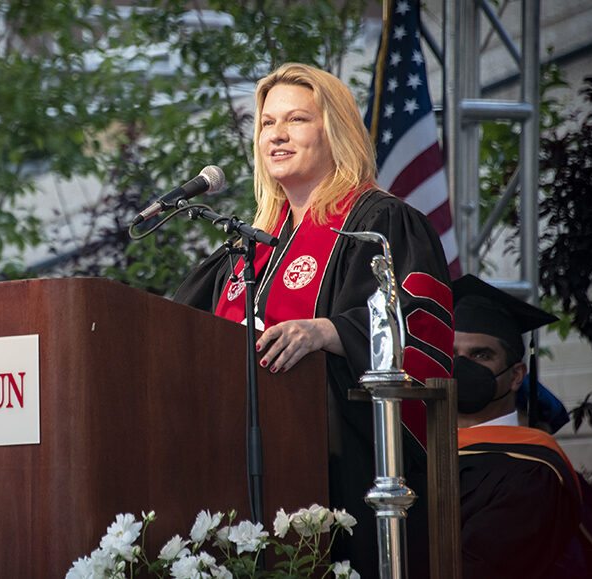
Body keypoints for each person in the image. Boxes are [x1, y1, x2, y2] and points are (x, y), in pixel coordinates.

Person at [174, 63, 454, 578]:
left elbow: (423, 335)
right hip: (236, 474)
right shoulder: (245, 250)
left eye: (296, 120)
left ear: (335, 131)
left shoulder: (380, 225)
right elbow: (173, 337)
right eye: (266, 123)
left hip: (344, 478)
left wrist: (329, 330)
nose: (276, 134)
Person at [452, 274, 592, 578]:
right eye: (452, 356)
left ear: (517, 375)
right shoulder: (414, 454)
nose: (462, 366)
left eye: (481, 355)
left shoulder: (535, 470)